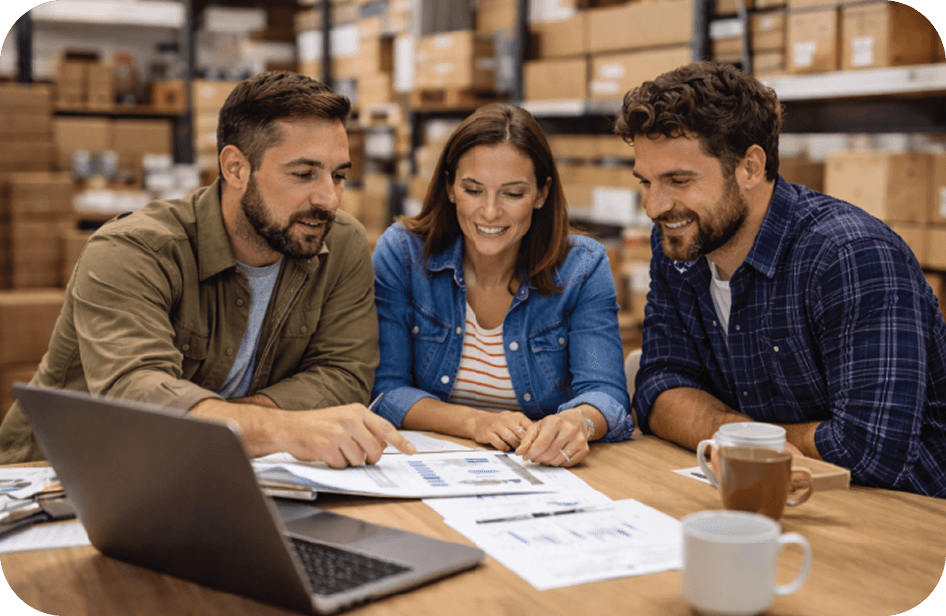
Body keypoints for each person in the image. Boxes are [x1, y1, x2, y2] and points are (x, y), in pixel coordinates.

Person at [0, 71, 413, 467]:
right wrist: (279, 428)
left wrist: (234, 424)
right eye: (304, 174)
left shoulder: (341, 243)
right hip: (60, 474)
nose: (329, 198)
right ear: (235, 168)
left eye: (338, 175)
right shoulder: (132, 250)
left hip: (219, 471)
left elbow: (344, 374)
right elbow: (137, 393)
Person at [617, 61, 946, 497]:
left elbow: (870, 450)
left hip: (905, 514)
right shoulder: (681, 245)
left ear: (750, 167)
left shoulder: (851, 256)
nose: (655, 206)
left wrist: (729, 437)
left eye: (678, 180)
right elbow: (659, 384)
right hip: (771, 495)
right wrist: (735, 433)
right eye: (646, 182)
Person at [370, 103, 634, 467]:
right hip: (430, 467)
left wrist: (577, 422)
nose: (490, 212)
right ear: (450, 187)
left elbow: (606, 394)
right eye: (473, 190)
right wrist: (476, 422)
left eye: (512, 193)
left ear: (541, 194)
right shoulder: (402, 254)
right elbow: (385, 390)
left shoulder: (583, 266)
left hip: (544, 473)